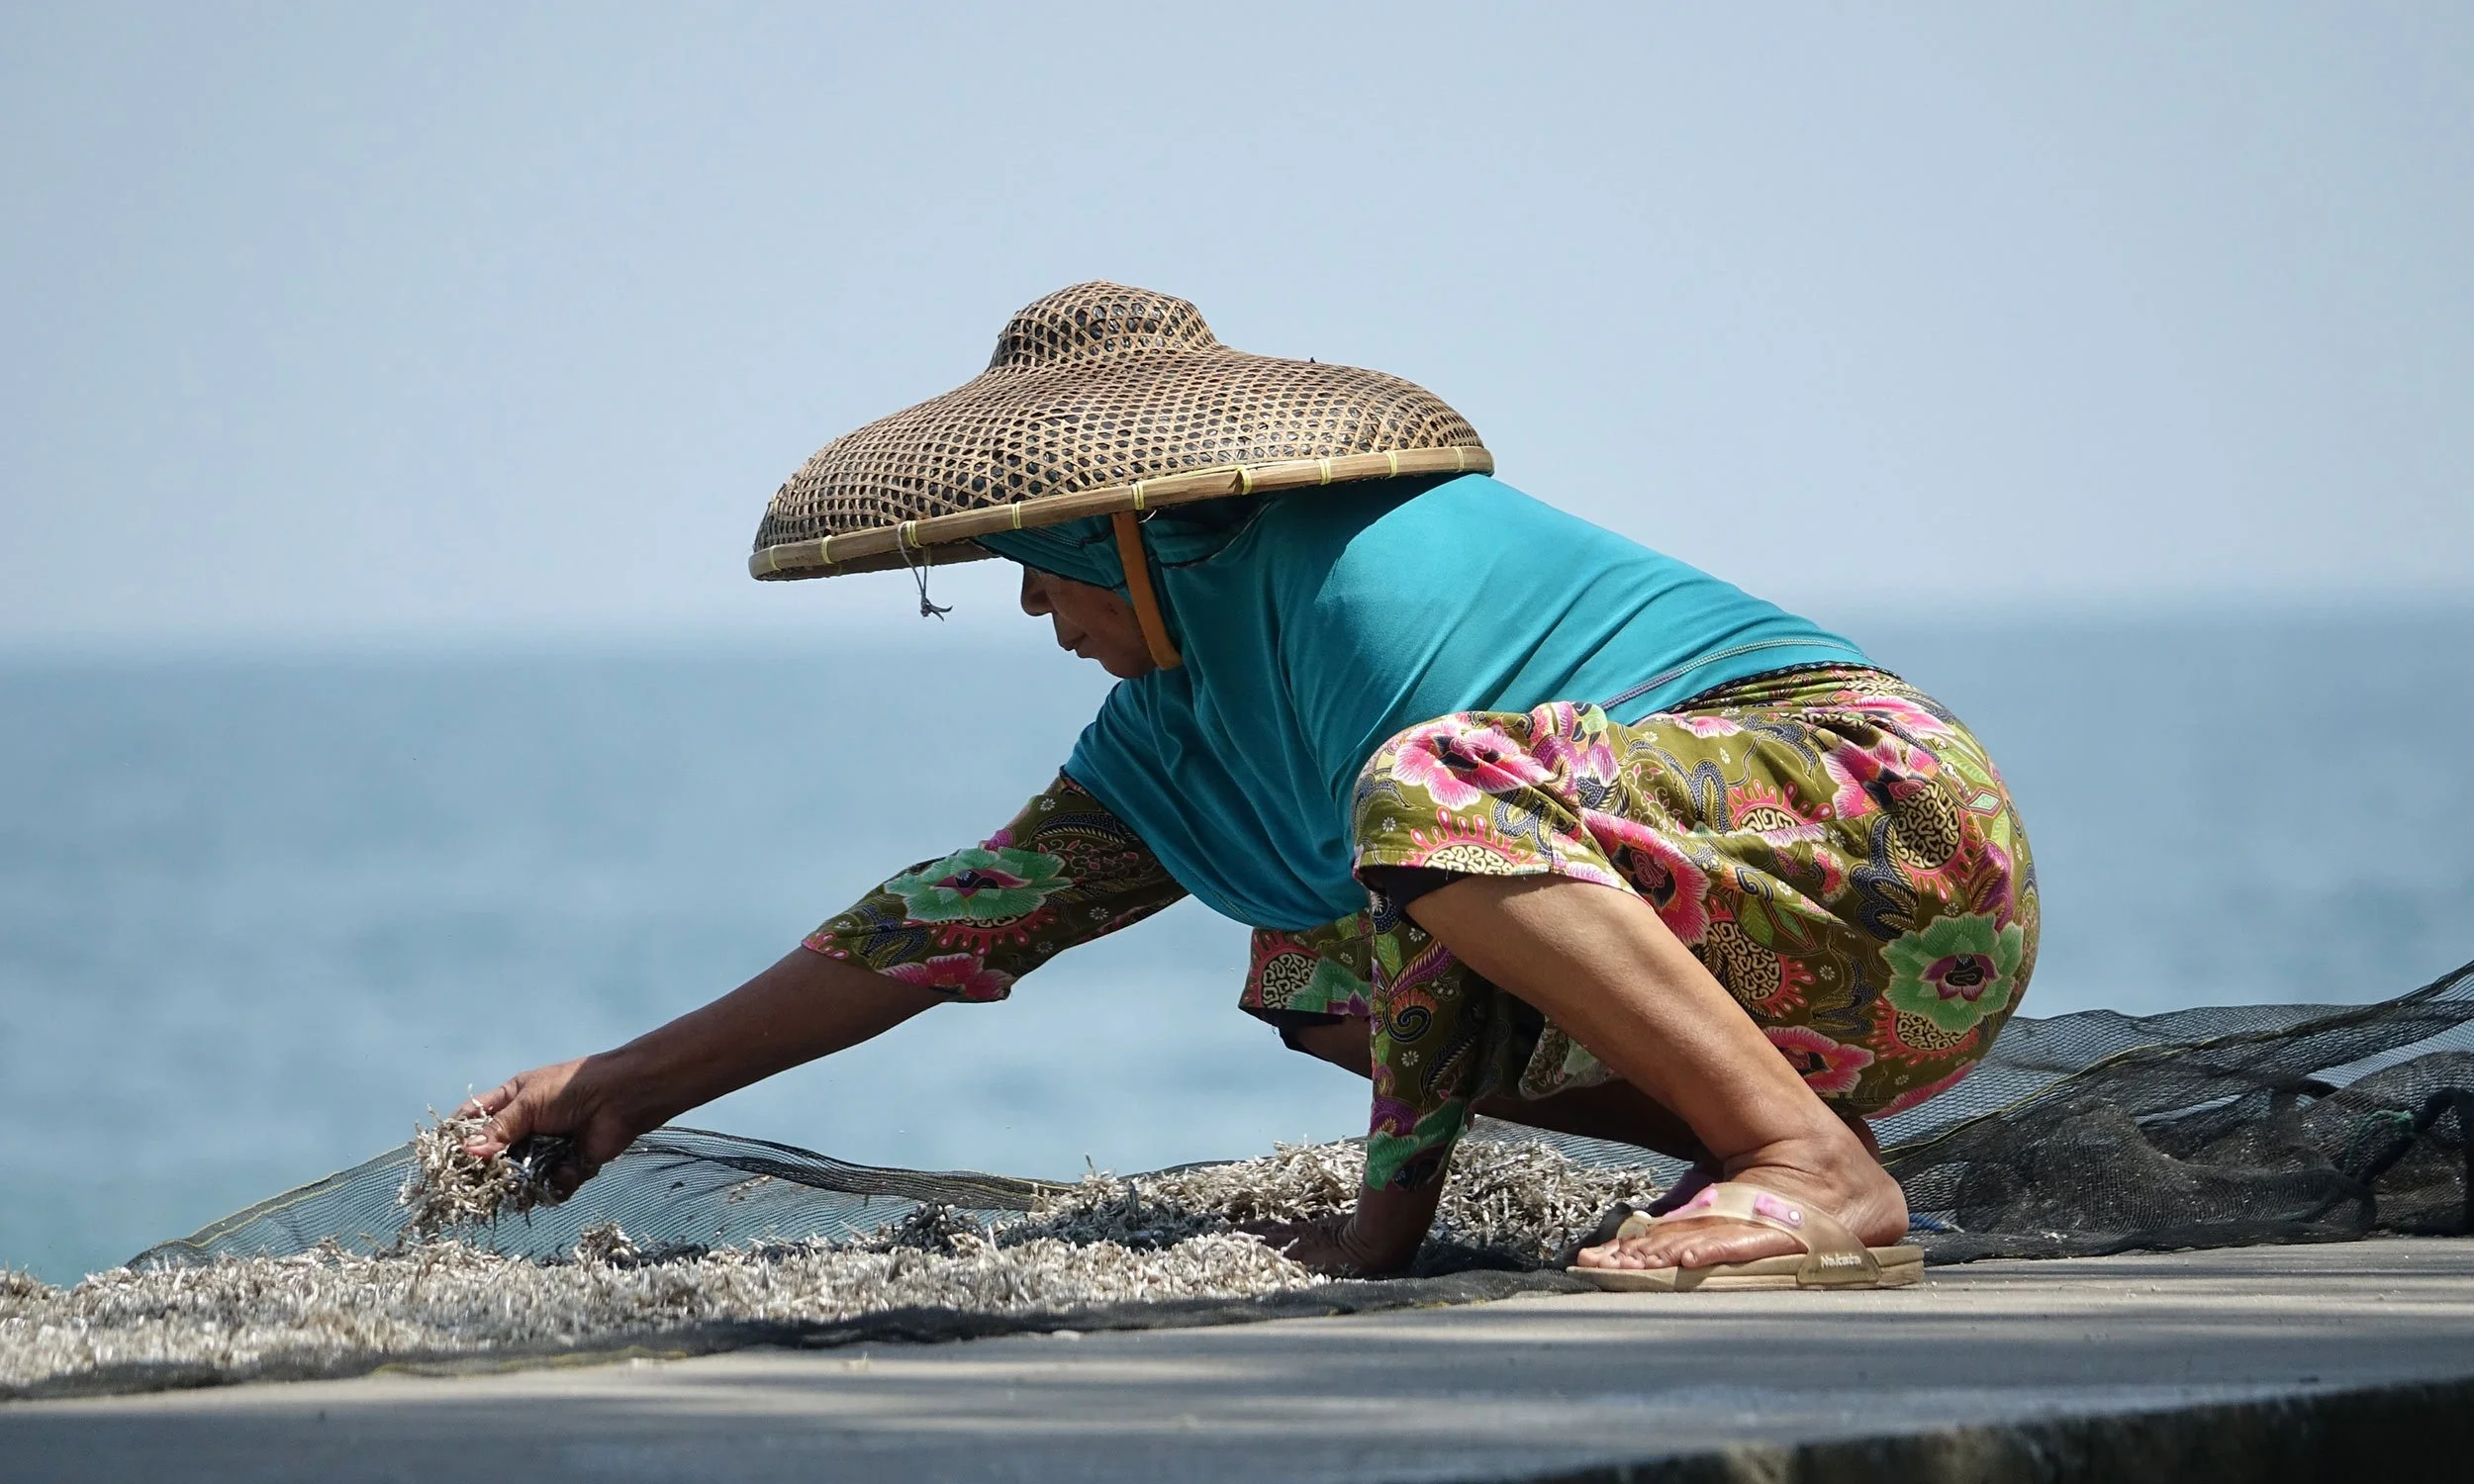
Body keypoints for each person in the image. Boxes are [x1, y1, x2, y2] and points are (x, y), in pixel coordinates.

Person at [463, 282, 2037, 1288]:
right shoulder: (1182, 714)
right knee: (1304, 970)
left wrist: (1379, 1236)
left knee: (1419, 805)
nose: (1032, 612)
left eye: (1042, 571)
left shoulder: (1354, 586)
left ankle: (1801, 1164)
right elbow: (950, 922)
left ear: (1125, 536)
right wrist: (621, 1088)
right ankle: (1760, 1136)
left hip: (1886, 837)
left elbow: (1442, 843)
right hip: (1783, 962)